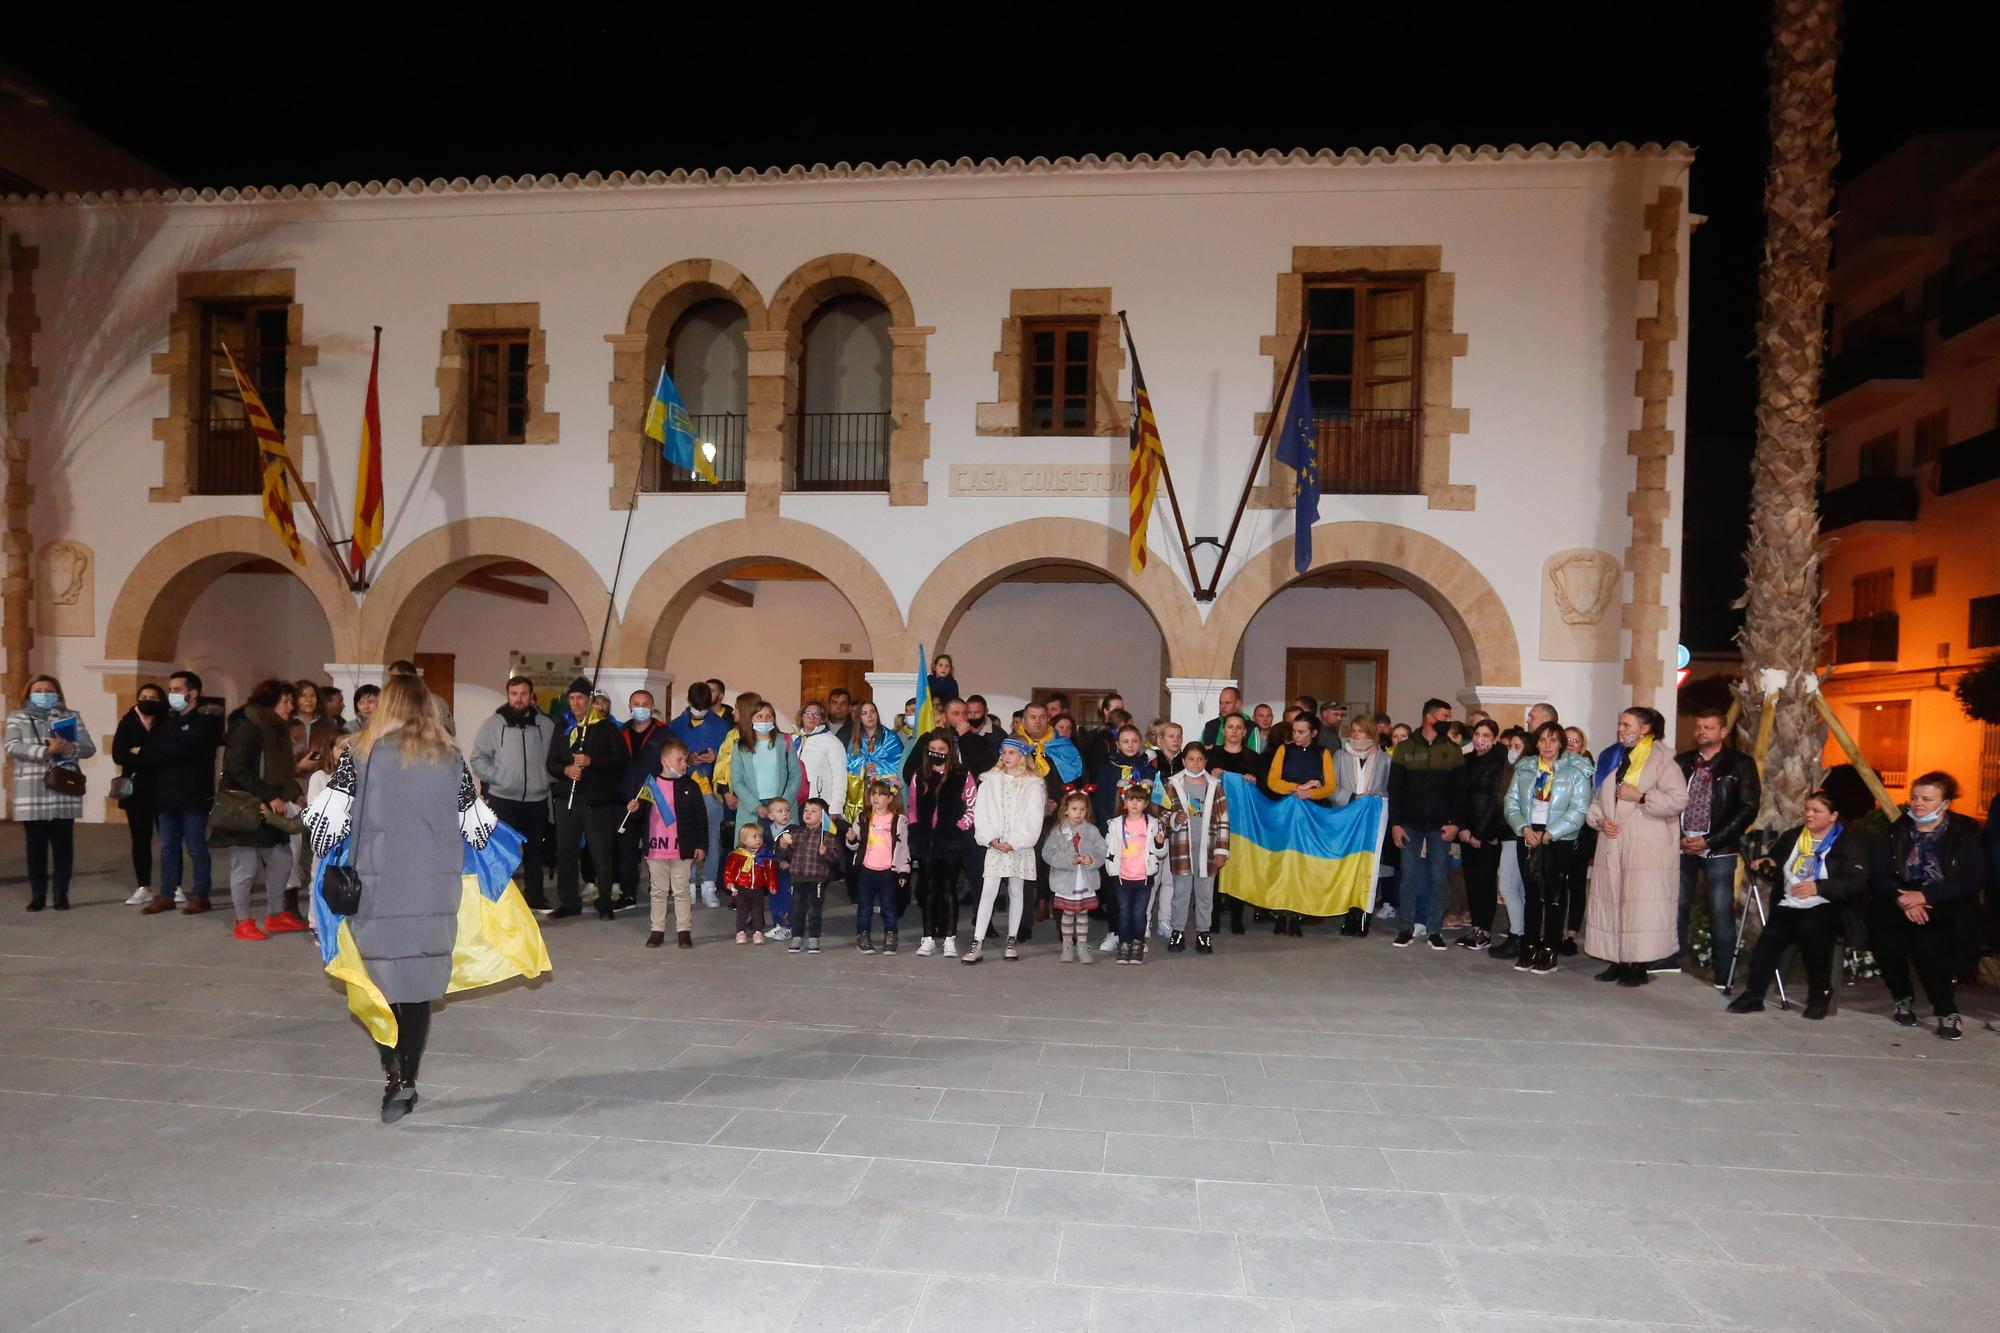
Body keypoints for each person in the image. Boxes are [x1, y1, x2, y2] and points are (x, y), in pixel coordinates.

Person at [304, 674, 499, 1123]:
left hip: (376, 888)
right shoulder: (450, 758)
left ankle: (390, 1067)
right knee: (416, 984)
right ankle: (406, 1075)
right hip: (434, 887)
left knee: (379, 981)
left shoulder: (358, 755)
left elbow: (322, 828)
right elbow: (480, 829)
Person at [1728, 790, 1868, 1020]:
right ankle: (1754, 994)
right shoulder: (1793, 837)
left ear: (1833, 816)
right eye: (1807, 809)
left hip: (1827, 904)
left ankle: (1819, 993)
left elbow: (1855, 881)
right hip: (1790, 902)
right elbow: (1777, 862)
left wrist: (1818, 887)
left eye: (1816, 811)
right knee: (1770, 937)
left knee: (1811, 930)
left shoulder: (1848, 844)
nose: (1809, 815)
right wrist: (1768, 862)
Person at [1869, 772, 1985, 1040]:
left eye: (1927, 799)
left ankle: (1947, 1012)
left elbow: (1973, 878)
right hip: (1899, 900)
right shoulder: (1898, 829)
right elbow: (1878, 873)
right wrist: (1901, 899)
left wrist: (1925, 898)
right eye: (1915, 797)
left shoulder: (1963, 834)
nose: (1918, 803)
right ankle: (1902, 997)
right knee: (1886, 943)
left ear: (1945, 804)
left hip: (1944, 904)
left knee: (1929, 946)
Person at [1584, 706, 1689, 987]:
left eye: (1626, 725)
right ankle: (1616, 960)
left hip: (1647, 845)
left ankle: (1638, 965)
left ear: (1645, 729)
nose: (1620, 729)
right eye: (1620, 724)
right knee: (1613, 901)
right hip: (1614, 841)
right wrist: (1600, 820)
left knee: (1640, 906)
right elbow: (1597, 800)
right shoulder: (1612, 758)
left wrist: (1642, 796)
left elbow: (1679, 800)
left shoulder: (1664, 762)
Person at [210, 679, 307, 939]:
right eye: (286, 701)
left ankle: (275, 915)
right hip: (246, 807)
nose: (291, 706)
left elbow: (280, 770)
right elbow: (238, 769)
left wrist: (294, 793)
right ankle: (242, 921)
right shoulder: (248, 726)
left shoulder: (274, 728)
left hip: (269, 805)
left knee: (281, 859)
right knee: (246, 865)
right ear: (270, 701)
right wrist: (269, 795)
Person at [1672, 707, 1762, 988]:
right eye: (1699, 727)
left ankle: (1724, 976)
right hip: (1683, 846)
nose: (1702, 732)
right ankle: (1672, 962)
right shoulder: (1683, 762)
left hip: (1719, 850)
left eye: (1708, 727)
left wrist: (1711, 840)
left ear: (1723, 732)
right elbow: (1669, 801)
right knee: (1677, 906)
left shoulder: (1740, 764)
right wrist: (1678, 836)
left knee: (1721, 911)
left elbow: (1748, 809)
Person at [1503, 721, 1594, 974]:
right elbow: (1510, 802)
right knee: (1532, 893)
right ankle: (1529, 945)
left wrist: (1551, 833)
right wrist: (1524, 828)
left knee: (1554, 895)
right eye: (1543, 740)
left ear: (1561, 743)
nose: (1547, 746)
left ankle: (1550, 948)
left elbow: (1579, 809)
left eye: (1553, 740)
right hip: (1529, 834)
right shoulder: (1525, 768)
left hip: (1559, 839)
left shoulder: (1575, 770)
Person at [6, 674, 97, 911]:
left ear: (57, 694)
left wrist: (69, 747)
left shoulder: (71, 716)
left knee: (63, 844)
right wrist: (45, 750)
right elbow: (11, 746)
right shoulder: (17, 716)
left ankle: (61, 893)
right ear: (29, 693)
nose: (44, 694)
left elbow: (89, 748)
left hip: (63, 788)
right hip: (32, 789)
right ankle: (38, 894)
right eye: (38, 690)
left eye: (48, 690)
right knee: (35, 845)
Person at [470, 676, 557, 911]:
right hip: (503, 798)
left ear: (531, 695)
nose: (519, 698)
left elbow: (555, 760)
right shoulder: (493, 724)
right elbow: (478, 758)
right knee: (502, 851)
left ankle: (536, 897)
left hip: (537, 800)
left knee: (534, 852)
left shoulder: (546, 726)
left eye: (523, 694)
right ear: (508, 695)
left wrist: (544, 778)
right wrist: (499, 778)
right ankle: (501, 900)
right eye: (514, 693)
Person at [545, 677, 627, 921]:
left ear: (590, 701)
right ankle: (569, 902)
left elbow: (621, 761)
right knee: (566, 851)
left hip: (596, 801)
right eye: (572, 698)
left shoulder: (606, 728)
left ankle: (605, 902)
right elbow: (551, 763)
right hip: (566, 799)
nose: (576, 703)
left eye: (581, 698)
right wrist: (566, 770)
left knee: (601, 852)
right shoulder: (562, 727)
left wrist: (593, 762)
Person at [141, 669, 222, 915]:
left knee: (196, 846)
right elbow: (150, 752)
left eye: (177, 690)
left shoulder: (205, 722)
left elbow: (187, 750)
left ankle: (200, 894)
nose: (172, 694)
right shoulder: (166, 721)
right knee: (167, 847)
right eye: (171, 690)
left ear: (193, 693)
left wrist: (169, 751)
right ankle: (166, 893)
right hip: (166, 794)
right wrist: (170, 750)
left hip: (194, 794)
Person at [1388, 699, 1463, 950]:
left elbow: (1459, 791)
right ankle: (1406, 927)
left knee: (1438, 877)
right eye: (1444, 716)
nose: (1448, 720)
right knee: (1408, 876)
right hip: (1409, 823)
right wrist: (1395, 824)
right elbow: (1395, 789)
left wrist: (1455, 823)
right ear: (1429, 717)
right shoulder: (1405, 748)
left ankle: (1434, 930)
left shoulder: (1452, 750)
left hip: (1441, 826)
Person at [966, 737, 1044, 964]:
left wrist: (1017, 840)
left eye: (1012, 753)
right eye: (1004, 753)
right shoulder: (990, 781)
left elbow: (1034, 816)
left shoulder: (1033, 784)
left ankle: (1012, 939)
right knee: (988, 890)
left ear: (1022, 756)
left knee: (1016, 890)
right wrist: (990, 838)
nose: (1007, 757)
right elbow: (982, 812)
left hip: (1018, 846)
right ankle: (977, 941)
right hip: (996, 845)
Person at [626, 736, 708, 949]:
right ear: (665, 761)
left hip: (683, 848)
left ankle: (684, 931)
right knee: (658, 891)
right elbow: (641, 815)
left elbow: (701, 817)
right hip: (656, 848)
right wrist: (634, 809)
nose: (684, 764)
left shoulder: (691, 786)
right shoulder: (650, 785)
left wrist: (701, 844)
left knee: (681, 891)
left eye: (685, 760)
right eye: (680, 760)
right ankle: (657, 930)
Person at [909, 731, 976, 957]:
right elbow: (913, 809)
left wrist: (960, 827)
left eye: (942, 750)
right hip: (927, 842)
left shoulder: (962, 774)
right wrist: (916, 831)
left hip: (951, 842)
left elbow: (971, 805)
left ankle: (949, 938)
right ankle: (927, 937)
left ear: (950, 751)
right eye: (933, 749)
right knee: (929, 890)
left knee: (949, 890)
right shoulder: (920, 775)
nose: (937, 753)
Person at [667, 681, 731, 909]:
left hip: (709, 790)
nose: (700, 710)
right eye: (697, 706)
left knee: (712, 838)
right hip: (683, 789)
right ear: (690, 702)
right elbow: (668, 758)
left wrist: (715, 759)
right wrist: (688, 760)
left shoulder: (722, 726)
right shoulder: (675, 726)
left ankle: (709, 884)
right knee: (685, 838)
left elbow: (728, 760)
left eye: (704, 707)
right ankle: (688, 883)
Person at [1163, 741, 1230, 954]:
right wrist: (1175, 818)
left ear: (1205, 761)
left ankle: (1203, 933)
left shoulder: (1214, 785)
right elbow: (1163, 813)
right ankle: (1178, 932)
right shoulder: (1173, 783)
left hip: (1208, 849)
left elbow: (1223, 818)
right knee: (1181, 892)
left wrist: (1221, 850)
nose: (1195, 763)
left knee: (1204, 894)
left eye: (1200, 759)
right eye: (1191, 759)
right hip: (1182, 848)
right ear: (1183, 761)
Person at [609, 689, 671, 914]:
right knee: (625, 851)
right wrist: (621, 795)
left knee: (656, 851)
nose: (641, 708)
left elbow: (671, 766)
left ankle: (661, 890)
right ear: (629, 706)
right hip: (625, 801)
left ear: (652, 706)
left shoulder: (665, 733)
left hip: (654, 801)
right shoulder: (620, 731)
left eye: (645, 704)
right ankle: (628, 894)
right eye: (636, 703)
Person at [1332, 716, 1392, 937]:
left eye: (1360, 731)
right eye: (1353, 730)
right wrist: (1352, 797)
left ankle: (1363, 914)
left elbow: (1388, 790)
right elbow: (1332, 787)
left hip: (1371, 822)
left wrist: (1375, 799)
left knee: (1367, 869)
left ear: (1371, 734)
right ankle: (1349, 914)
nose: (1355, 735)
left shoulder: (1385, 759)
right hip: (1345, 820)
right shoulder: (1340, 756)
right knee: (1347, 867)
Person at [1454, 718, 1509, 951]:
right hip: (1467, 832)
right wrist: (1463, 828)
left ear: (1495, 739)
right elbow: (1459, 797)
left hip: (1487, 834)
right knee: (1472, 881)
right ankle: (1475, 926)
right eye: (1478, 734)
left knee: (1486, 882)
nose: (1480, 740)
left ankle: (1485, 929)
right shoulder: (1466, 760)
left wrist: (1481, 834)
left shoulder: (1500, 763)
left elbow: (1498, 801)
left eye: (1486, 736)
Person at [112, 683, 167, 905]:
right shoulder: (127, 722)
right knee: (140, 839)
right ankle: (143, 886)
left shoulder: (167, 721)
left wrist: (138, 752)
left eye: (153, 697)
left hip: (164, 788)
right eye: (143, 696)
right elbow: (119, 754)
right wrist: (149, 756)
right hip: (136, 792)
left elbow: (170, 752)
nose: (147, 700)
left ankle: (173, 885)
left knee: (169, 840)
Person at [1040, 791, 1106, 963]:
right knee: (1068, 913)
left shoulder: (1091, 830)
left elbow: (1102, 849)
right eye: (1074, 809)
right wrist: (1068, 860)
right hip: (1066, 881)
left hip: (1085, 880)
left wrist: (1092, 859)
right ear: (1066, 810)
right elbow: (1047, 852)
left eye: (1083, 810)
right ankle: (1067, 945)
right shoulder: (1059, 830)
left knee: (1083, 913)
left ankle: (1082, 946)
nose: (1079, 813)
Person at [845, 778, 910, 954]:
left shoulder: (898, 820)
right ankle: (863, 935)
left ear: (890, 798)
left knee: (889, 906)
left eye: (881, 795)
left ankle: (891, 934)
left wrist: (903, 871)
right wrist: (851, 839)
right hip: (866, 870)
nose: (876, 798)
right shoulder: (863, 817)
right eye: (873, 794)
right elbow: (854, 845)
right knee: (864, 906)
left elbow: (903, 848)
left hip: (888, 871)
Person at [1106, 783, 1168, 964]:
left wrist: (1159, 843)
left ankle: (1137, 943)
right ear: (1125, 801)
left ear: (1146, 803)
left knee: (1140, 913)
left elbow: (1161, 852)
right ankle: (1124, 943)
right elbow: (1109, 848)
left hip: (1143, 877)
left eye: (1139, 800)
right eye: (1131, 799)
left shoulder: (1153, 824)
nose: (1134, 804)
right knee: (1124, 912)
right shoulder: (1116, 824)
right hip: (1122, 877)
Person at [1486, 727, 1530, 959]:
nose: (1511, 752)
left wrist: (1497, 829)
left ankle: (1518, 935)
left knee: (1508, 887)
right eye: (1510, 747)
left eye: (1516, 747)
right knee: (1516, 888)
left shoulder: (1524, 773)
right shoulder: (1509, 771)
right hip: (1508, 835)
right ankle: (1520, 933)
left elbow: (1513, 808)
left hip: (1515, 836)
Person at [779, 796, 842, 954]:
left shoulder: (827, 836)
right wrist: (785, 847)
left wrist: (825, 852)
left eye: (813, 811)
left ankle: (814, 937)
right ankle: (797, 936)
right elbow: (789, 855)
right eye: (806, 810)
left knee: (814, 910)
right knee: (797, 909)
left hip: (816, 879)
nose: (808, 813)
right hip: (798, 878)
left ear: (823, 816)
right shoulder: (796, 832)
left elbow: (836, 856)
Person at [794, 700, 847, 841]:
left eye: (816, 714)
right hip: (796, 803)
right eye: (808, 714)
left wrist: (836, 806)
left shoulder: (831, 741)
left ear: (822, 718)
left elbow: (839, 775)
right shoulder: (794, 739)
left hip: (819, 802)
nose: (812, 718)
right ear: (801, 716)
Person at [847, 700, 905, 817]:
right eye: (864, 713)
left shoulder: (890, 738)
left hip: (885, 791)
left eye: (872, 712)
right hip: (862, 790)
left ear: (877, 714)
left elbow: (899, 763)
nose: (869, 715)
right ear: (859, 718)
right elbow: (850, 763)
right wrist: (864, 764)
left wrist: (877, 767)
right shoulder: (856, 739)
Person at [723, 823, 778, 944]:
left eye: (760, 837)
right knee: (742, 912)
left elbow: (770, 872)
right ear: (743, 840)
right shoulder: (737, 855)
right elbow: (729, 870)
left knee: (757, 911)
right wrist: (729, 882)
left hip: (758, 889)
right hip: (741, 888)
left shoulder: (765, 856)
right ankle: (740, 932)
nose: (758, 839)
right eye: (754, 836)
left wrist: (772, 885)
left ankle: (758, 932)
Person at [386, 660, 454, 735]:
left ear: (407, 677)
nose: (391, 683)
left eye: (394, 678)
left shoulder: (432, 701)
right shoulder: (395, 701)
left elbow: (448, 731)